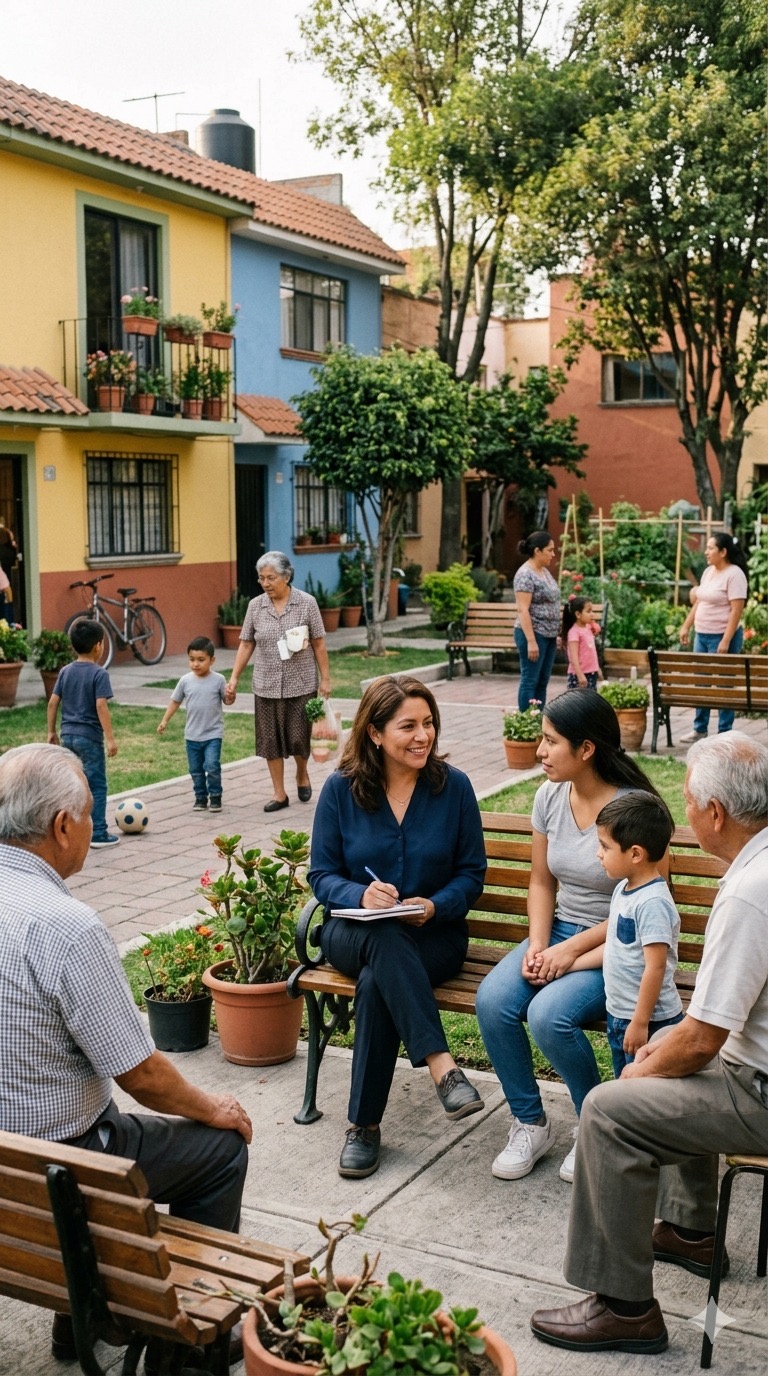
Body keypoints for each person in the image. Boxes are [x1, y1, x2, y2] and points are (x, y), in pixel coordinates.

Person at [0, 743, 252, 1365]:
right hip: (63, 1165)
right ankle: (188, 1351)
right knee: (219, 1152)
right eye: (91, 813)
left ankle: (75, 1317)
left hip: (10, 1176)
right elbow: (142, 1075)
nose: (94, 823)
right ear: (63, 827)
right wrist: (214, 1107)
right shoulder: (65, 926)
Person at [530, 731, 768, 1355]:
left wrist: (635, 1073)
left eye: (688, 800)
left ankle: (624, 1307)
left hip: (761, 1089)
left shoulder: (749, 893)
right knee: (668, 1071)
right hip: (753, 1067)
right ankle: (691, 1233)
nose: (684, 811)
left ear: (715, 813)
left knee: (611, 1109)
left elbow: (700, 1039)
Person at [475, 689, 666, 1183]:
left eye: (550, 741)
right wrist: (540, 943)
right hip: (559, 931)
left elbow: (641, 906)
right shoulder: (549, 796)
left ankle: (594, 1123)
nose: (539, 751)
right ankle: (529, 1123)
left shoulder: (635, 810)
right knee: (493, 1000)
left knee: (548, 1015)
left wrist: (570, 950)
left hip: (619, 943)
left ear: (586, 749)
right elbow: (542, 880)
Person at [308, 676, 487, 1180]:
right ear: (375, 733)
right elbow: (321, 874)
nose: (422, 736)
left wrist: (433, 905)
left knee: (375, 981)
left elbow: (471, 874)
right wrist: (359, 895)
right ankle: (443, 1068)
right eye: (407, 725)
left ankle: (363, 1127)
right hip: (354, 932)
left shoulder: (453, 788)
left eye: (428, 723)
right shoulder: (341, 790)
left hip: (434, 937)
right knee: (382, 940)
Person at [224, 551, 331, 811]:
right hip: (265, 684)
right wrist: (234, 678)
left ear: (286, 576)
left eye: (271, 578)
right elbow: (246, 643)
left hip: (301, 683)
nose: (265, 583)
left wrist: (325, 679)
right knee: (270, 741)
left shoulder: (306, 603)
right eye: (262, 578)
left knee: (298, 738)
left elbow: (318, 642)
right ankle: (279, 794)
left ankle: (302, 773)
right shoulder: (255, 606)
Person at [595, 793, 683, 1078]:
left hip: (650, 1020)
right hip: (621, 1013)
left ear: (635, 854)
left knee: (641, 1088)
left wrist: (640, 1022)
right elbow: (615, 947)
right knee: (624, 1081)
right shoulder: (624, 888)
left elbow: (655, 967)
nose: (599, 854)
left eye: (604, 847)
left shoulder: (652, 903)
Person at [47, 617, 119, 848]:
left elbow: (52, 702)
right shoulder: (99, 674)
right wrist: (110, 739)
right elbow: (101, 705)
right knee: (96, 784)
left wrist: (51, 731)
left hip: (67, 735)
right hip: (89, 738)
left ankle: (69, 831)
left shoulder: (65, 671)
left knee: (72, 784)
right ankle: (98, 832)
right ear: (98, 645)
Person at [678, 531, 749, 742]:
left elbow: (736, 611)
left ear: (723, 552)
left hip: (722, 636)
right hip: (702, 634)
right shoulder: (709, 572)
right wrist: (686, 626)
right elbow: (700, 602)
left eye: (710, 548)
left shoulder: (735, 574)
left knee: (724, 684)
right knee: (702, 683)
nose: (706, 552)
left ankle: (724, 732)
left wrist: (725, 640)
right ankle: (700, 729)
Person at [158, 635, 227, 811]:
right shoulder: (185, 681)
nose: (196, 664)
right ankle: (201, 798)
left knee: (211, 766)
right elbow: (175, 701)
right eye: (192, 660)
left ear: (212, 660)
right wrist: (165, 720)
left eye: (201, 660)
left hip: (213, 734)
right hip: (192, 736)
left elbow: (227, 700)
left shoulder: (218, 680)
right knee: (195, 770)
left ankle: (216, 796)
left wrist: (231, 695)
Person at [513, 531, 561, 710]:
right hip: (533, 634)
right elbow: (522, 609)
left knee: (542, 681)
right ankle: (526, 722)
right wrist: (531, 641)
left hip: (548, 635)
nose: (553, 554)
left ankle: (539, 722)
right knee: (530, 680)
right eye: (550, 550)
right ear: (537, 551)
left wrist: (557, 633)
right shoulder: (525, 574)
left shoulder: (544, 572)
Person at [563, 597, 603, 690]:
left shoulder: (588, 628)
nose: (592, 614)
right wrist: (580, 675)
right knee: (578, 703)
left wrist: (597, 669)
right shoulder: (574, 632)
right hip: (579, 675)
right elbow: (573, 658)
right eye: (588, 611)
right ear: (578, 614)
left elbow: (592, 653)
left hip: (591, 673)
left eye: (592, 611)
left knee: (590, 702)